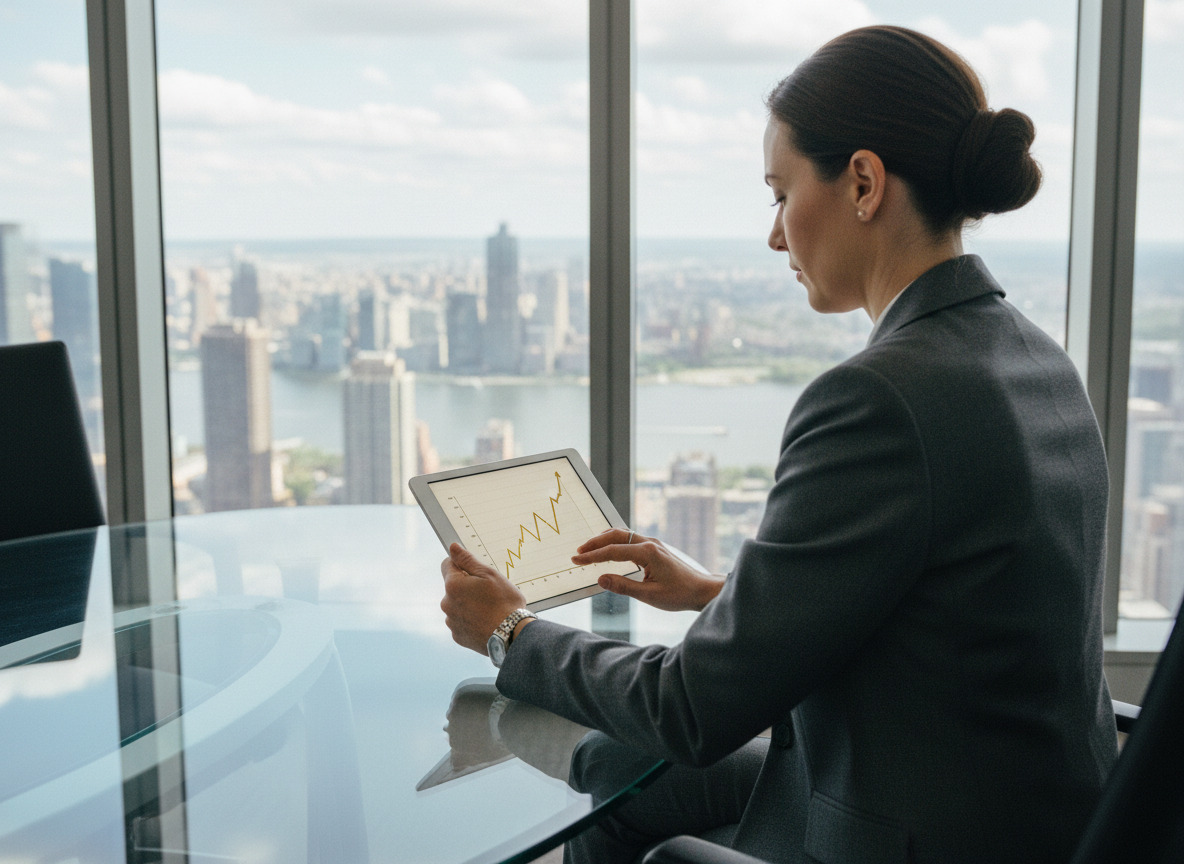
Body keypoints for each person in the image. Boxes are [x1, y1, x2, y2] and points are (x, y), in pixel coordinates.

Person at [440, 25, 1117, 864]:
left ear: (863, 183)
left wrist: (508, 633)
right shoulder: (1031, 357)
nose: (774, 235)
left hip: (914, 838)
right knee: (619, 766)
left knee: (638, 798)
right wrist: (716, 595)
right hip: (1037, 820)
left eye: (779, 192)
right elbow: (952, 604)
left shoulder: (880, 398)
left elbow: (691, 710)